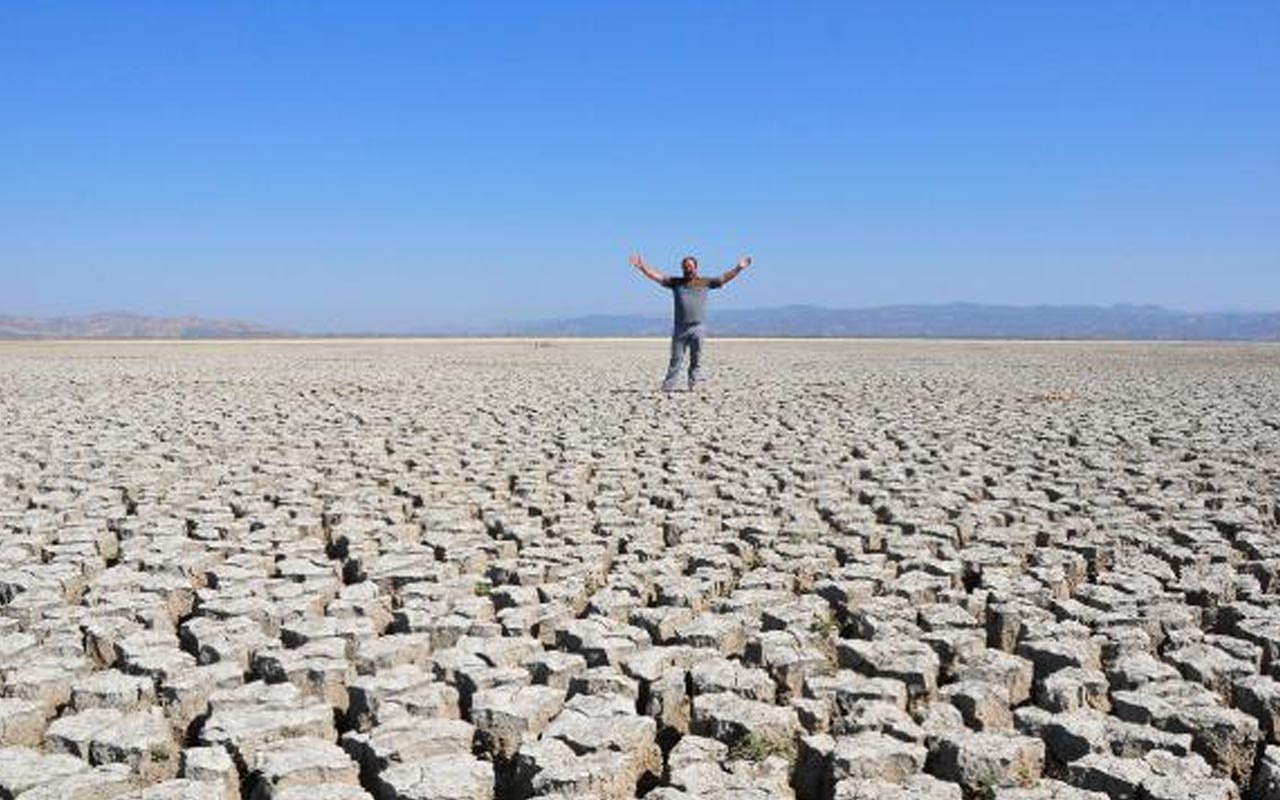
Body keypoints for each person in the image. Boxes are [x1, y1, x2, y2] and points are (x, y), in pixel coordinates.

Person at [629, 253, 754, 392]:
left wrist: (739, 268)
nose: (687, 268)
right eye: (685, 266)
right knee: (676, 359)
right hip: (680, 328)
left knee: (696, 359)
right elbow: (657, 277)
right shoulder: (676, 282)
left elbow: (723, 278)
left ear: (696, 268)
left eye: (690, 266)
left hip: (698, 327)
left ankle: (693, 385)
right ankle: (668, 387)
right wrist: (642, 267)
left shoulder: (704, 282)